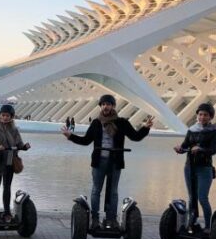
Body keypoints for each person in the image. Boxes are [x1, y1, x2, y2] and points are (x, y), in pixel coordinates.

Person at [62, 94, 153, 230]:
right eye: (103, 104)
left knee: (113, 191)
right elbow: (86, 140)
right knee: (96, 190)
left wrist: (146, 128)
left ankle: (111, 219)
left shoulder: (121, 122)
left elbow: (135, 137)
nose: (106, 107)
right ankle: (95, 219)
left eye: (108, 104)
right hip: (99, 162)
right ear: (100, 106)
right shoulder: (96, 123)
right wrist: (70, 136)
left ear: (113, 106)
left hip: (115, 162)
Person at [173, 103, 216, 233]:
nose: (202, 117)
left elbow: (213, 150)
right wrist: (179, 149)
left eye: (206, 115)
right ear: (197, 115)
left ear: (210, 117)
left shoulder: (213, 132)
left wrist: (201, 149)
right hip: (189, 167)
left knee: (202, 197)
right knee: (192, 197)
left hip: (204, 168)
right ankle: (192, 223)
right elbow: (185, 146)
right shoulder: (191, 130)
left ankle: (208, 226)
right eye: (200, 114)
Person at [0, 104, 30, 222]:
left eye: (7, 116)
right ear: (0, 115)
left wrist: (24, 147)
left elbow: (19, 143)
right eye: (3, 115)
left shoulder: (14, 129)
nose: (5, 117)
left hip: (10, 159)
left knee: (7, 187)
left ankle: (7, 212)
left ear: (11, 117)